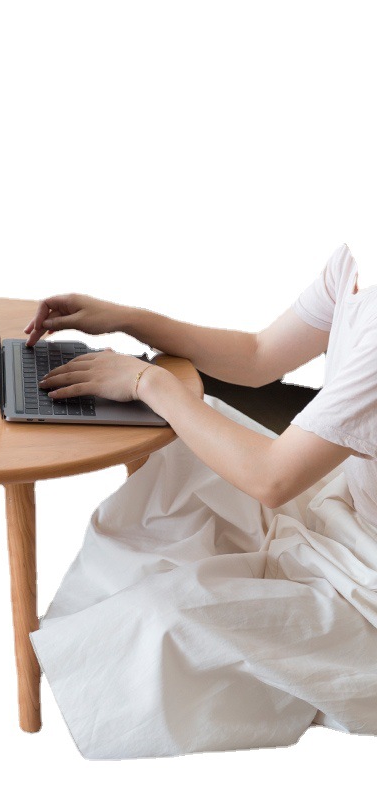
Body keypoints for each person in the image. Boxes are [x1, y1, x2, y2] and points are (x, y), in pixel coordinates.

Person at [23, 243, 377, 759]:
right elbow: (257, 355)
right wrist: (127, 320)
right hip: (346, 512)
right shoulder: (354, 262)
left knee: (160, 619)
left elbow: (273, 479)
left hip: (366, 576)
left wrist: (147, 381)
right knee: (183, 473)